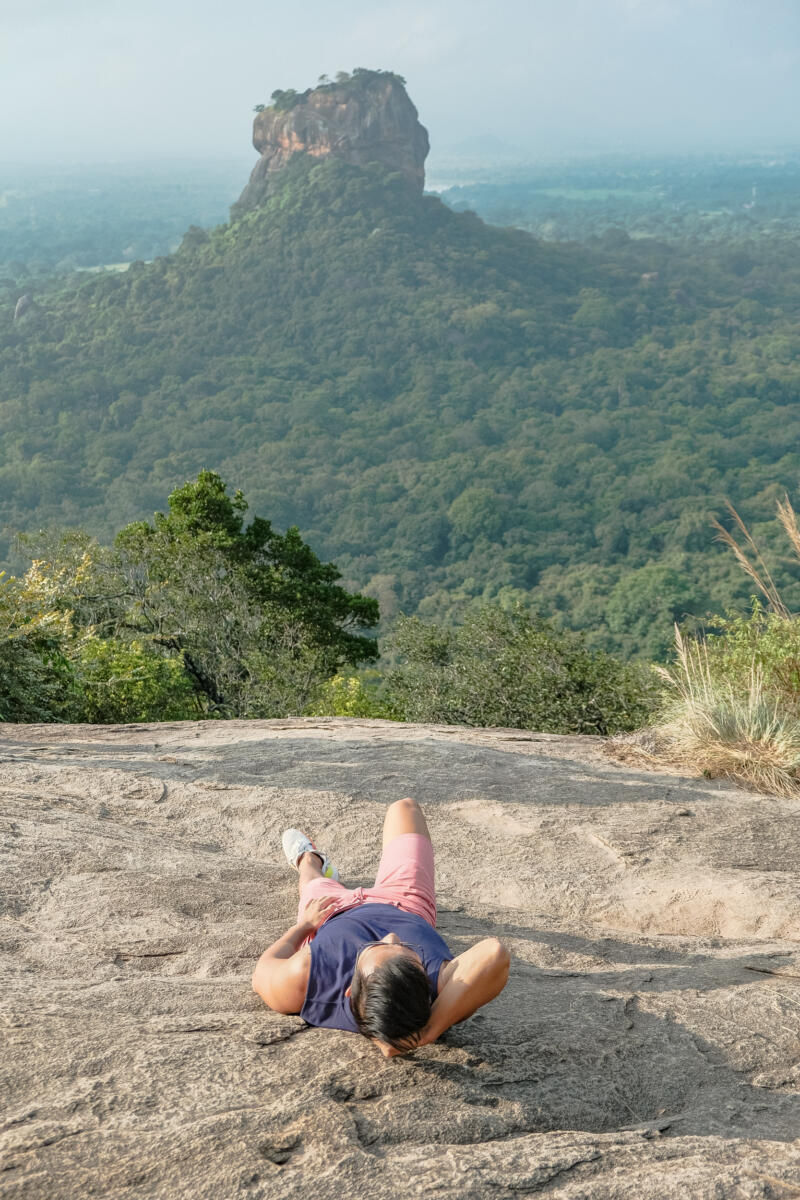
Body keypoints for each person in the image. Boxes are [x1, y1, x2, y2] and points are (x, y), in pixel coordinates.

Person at [252, 797, 511, 1057]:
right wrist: (428, 1032)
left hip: (333, 911)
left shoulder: (307, 977)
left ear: (352, 989)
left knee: (312, 881)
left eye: (377, 947)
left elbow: (264, 969)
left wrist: (304, 926)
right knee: (404, 808)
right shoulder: (428, 989)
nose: (392, 936)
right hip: (405, 901)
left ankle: (309, 859)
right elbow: (494, 953)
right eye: (408, 950)